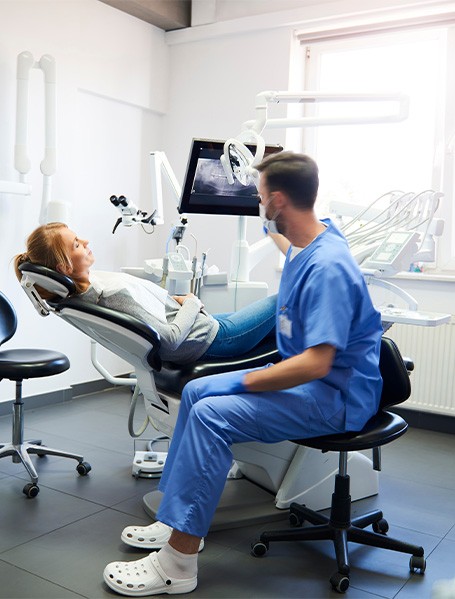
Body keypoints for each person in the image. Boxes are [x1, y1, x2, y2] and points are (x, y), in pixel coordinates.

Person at [101, 151, 384, 597]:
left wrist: (248, 379)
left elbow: (317, 363)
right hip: (309, 382)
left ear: (278, 200)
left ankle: (178, 564)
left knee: (216, 414)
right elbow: (287, 244)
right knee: (196, 391)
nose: (256, 202)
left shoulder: (328, 267)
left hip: (336, 396)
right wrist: (269, 222)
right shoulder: (310, 238)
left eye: (259, 197)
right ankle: (173, 520)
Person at [14, 222, 276, 364]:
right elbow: (171, 339)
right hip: (210, 339)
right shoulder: (109, 295)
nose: (86, 242)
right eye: (76, 244)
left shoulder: (85, 292)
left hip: (203, 329)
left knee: (283, 328)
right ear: (65, 267)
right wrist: (191, 302)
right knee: (284, 301)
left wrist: (178, 303)